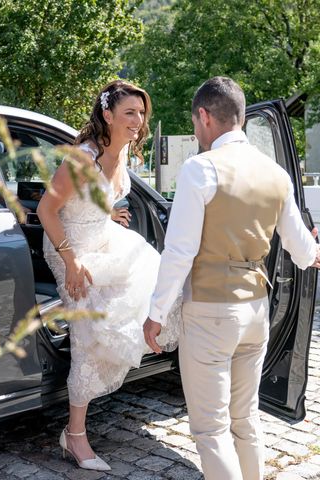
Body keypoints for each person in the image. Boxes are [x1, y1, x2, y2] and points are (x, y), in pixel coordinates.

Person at [143, 76, 320, 480]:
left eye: (194, 121)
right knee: (245, 418)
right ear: (240, 118)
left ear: (204, 116)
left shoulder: (200, 169)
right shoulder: (276, 174)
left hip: (209, 313)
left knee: (210, 428)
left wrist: (156, 312)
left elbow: (180, 251)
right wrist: (314, 252)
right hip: (257, 311)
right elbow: (300, 247)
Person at [37, 80, 180, 471]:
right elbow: (46, 211)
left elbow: (96, 200)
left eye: (141, 113)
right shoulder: (82, 158)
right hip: (69, 248)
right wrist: (70, 263)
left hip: (100, 236)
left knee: (151, 272)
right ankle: (75, 435)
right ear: (107, 115)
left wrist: (107, 214)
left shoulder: (123, 154)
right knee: (90, 329)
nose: (138, 120)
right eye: (129, 113)